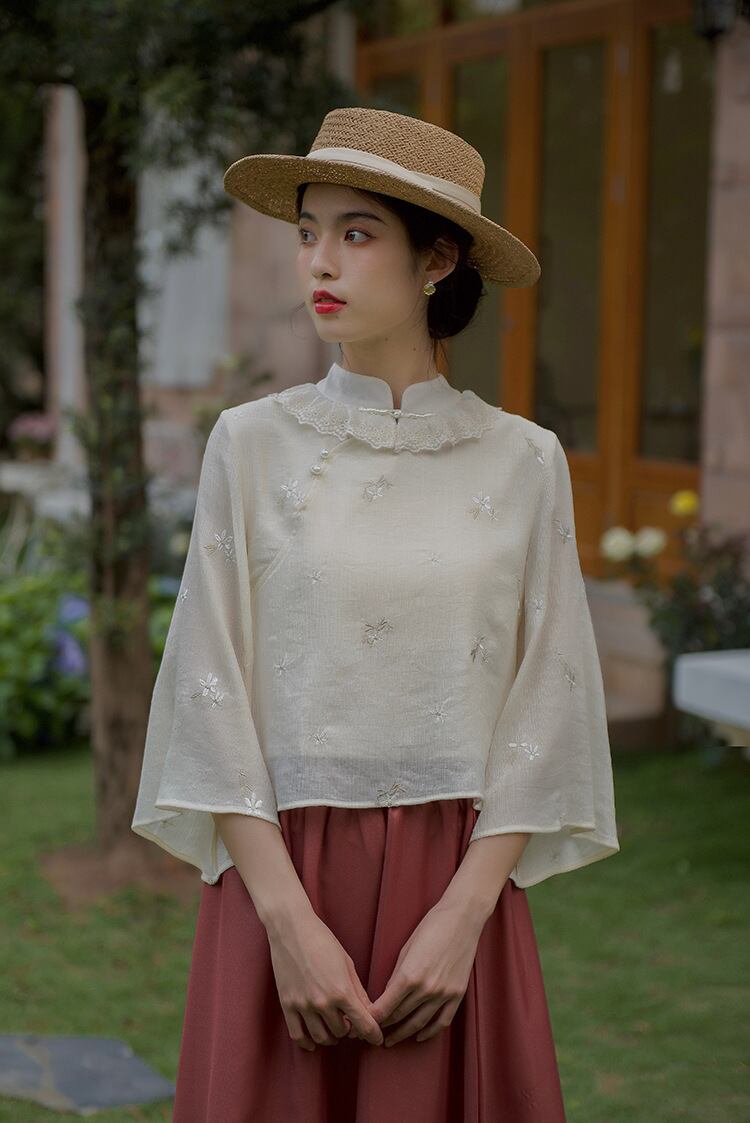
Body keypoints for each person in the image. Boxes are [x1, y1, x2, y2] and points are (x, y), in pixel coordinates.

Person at [131, 106, 620, 1122]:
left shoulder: (526, 462)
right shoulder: (249, 444)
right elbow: (209, 688)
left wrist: (464, 914)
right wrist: (285, 920)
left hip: (457, 890)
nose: (321, 261)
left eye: (357, 233)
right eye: (309, 231)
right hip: (280, 878)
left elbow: (550, 699)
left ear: (437, 259)